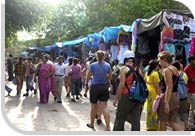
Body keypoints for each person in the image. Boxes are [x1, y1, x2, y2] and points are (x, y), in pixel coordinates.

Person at [113, 50, 143, 131]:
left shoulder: (123, 68)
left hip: (126, 96)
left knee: (120, 118)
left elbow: (122, 85)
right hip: (137, 97)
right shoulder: (137, 69)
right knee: (135, 120)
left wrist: (116, 98)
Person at [86, 50, 112, 131]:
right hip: (104, 87)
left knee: (93, 107)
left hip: (95, 87)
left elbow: (88, 76)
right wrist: (105, 77)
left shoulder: (92, 65)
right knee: (104, 107)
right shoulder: (108, 65)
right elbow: (110, 78)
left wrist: (93, 78)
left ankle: (91, 124)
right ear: (104, 57)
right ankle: (108, 127)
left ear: (96, 57)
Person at [157, 51, 182, 131]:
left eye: (159, 60)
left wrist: (166, 102)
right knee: (172, 121)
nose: (159, 62)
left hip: (168, 97)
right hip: (176, 96)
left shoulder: (167, 70)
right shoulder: (174, 68)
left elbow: (169, 87)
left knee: (163, 121)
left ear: (164, 60)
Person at [172, 61, 189, 130]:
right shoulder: (184, 74)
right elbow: (186, 84)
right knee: (184, 112)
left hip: (175, 96)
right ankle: (186, 125)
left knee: (174, 113)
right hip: (184, 96)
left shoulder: (172, 74)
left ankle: (175, 128)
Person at [144, 60, 161, 131]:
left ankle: (149, 124)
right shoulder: (155, 74)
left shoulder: (147, 73)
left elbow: (145, 81)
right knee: (155, 109)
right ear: (155, 66)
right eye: (158, 65)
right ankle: (154, 126)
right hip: (154, 92)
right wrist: (159, 94)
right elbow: (156, 85)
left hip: (148, 91)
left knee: (149, 109)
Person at [184, 55, 195, 129]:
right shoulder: (188, 68)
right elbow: (192, 79)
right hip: (192, 91)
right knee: (192, 108)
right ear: (191, 61)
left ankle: (191, 124)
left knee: (192, 108)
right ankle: (191, 124)